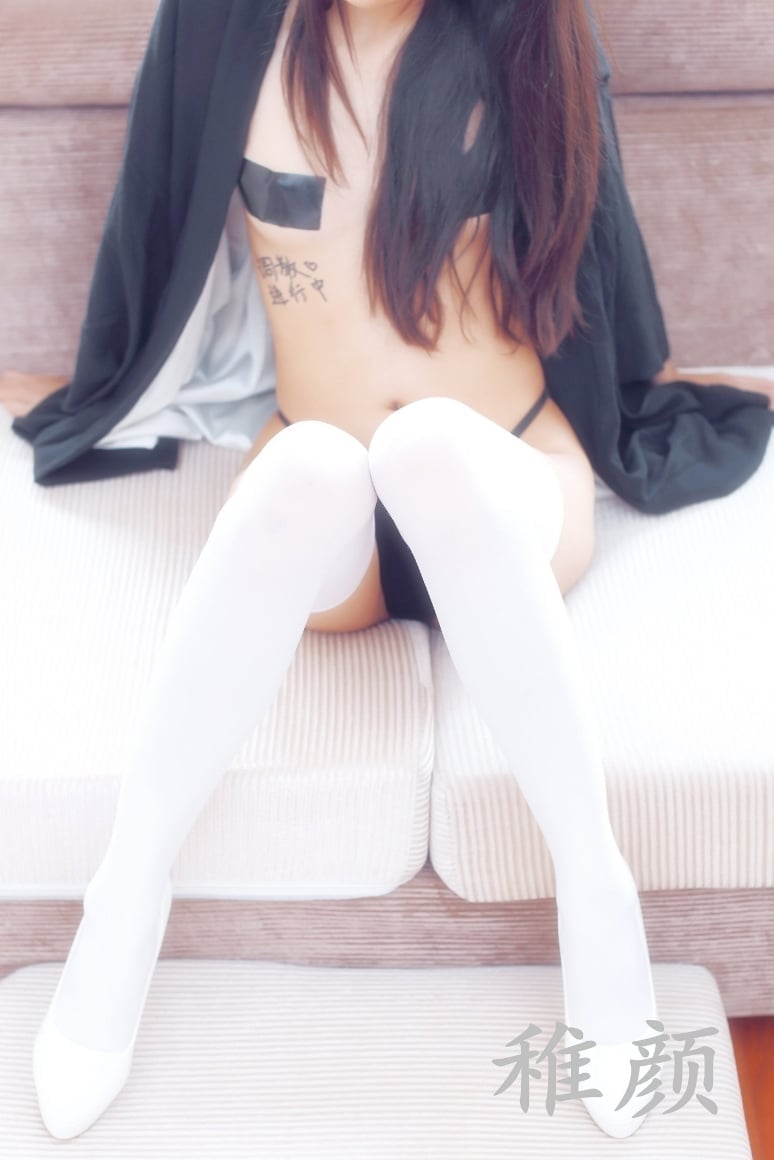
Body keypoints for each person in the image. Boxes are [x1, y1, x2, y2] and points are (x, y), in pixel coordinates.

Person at [2, 0, 771, 1144]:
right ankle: (125, 894)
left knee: (429, 450)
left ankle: (594, 886)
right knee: (307, 468)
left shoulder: (528, 30)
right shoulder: (221, 27)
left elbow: (596, 275)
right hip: (335, 516)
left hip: (507, 477)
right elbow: (154, 232)